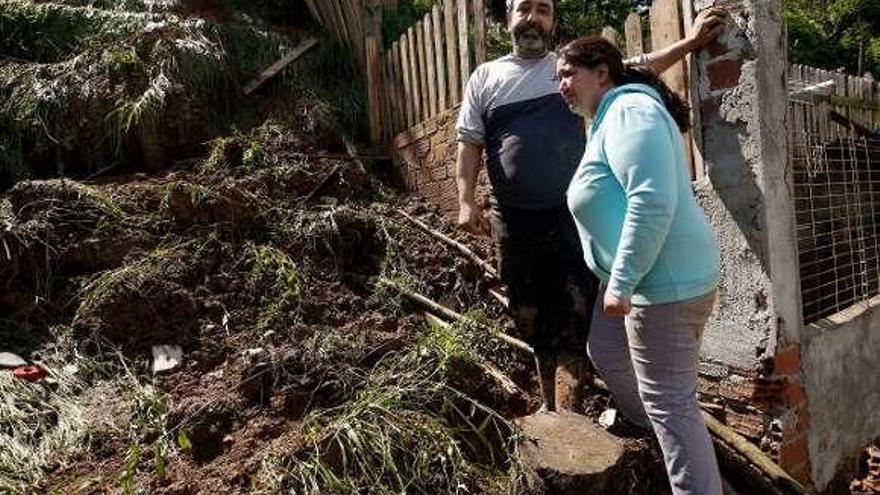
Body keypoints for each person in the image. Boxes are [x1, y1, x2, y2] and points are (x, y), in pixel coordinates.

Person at [455, 0, 725, 412]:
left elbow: (637, 65)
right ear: (507, 19)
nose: (532, 17)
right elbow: (470, 142)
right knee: (528, 315)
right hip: (512, 222)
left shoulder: (569, 71)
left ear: (553, 22)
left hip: (569, 222)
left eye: (543, 10)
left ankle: (569, 411)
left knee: (575, 316)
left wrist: (689, 43)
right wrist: (464, 200)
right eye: (523, 8)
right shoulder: (486, 78)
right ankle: (548, 398)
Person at [556, 36, 722, 494]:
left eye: (568, 74)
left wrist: (623, 282)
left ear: (601, 73)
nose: (561, 86)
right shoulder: (610, 116)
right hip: (640, 279)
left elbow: (650, 201)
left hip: (660, 285)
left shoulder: (629, 111)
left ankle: (686, 463)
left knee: (673, 405)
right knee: (606, 350)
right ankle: (652, 424)